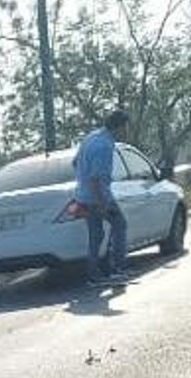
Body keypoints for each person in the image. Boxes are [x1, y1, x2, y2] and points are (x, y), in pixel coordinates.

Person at [73, 109, 131, 285]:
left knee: (96, 235)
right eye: (126, 127)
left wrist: (82, 179)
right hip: (98, 196)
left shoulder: (91, 137)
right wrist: (102, 204)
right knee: (120, 225)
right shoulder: (104, 145)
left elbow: (75, 162)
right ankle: (117, 269)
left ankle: (94, 275)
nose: (127, 131)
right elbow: (96, 178)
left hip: (83, 195)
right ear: (119, 127)